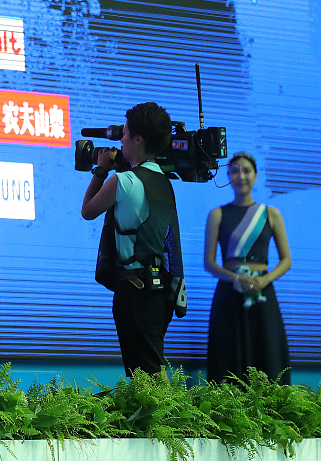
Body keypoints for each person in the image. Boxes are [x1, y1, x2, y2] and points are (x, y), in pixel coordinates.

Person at [81, 102, 186, 377]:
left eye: (125, 133)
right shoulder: (164, 181)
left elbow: (88, 210)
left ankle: (167, 409)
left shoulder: (123, 181)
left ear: (138, 139)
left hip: (135, 291)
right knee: (151, 369)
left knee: (149, 376)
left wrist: (101, 169)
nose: (121, 139)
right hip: (160, 290)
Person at [204, 152, 291, 384]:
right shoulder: (217, 214)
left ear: (256, 175)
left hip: (262, 293)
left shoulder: (271, 214)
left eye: (246, 171)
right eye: (234, 171)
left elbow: (286, 260)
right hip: (229, 294)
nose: (241, 176)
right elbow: (209, 263)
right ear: (228, 177)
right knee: (227, 358)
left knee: (268, 355)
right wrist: (235, 279)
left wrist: (264, 280)